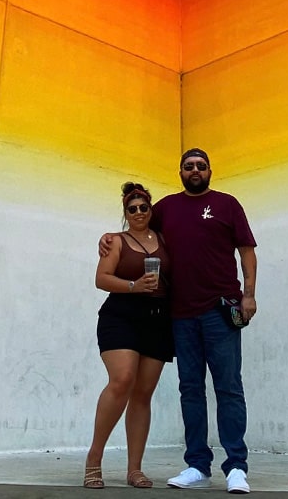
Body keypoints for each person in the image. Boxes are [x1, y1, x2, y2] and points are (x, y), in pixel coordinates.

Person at [100, 149, 257, 494]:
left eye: (201, 166)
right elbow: (137, 230)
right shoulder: (167, 208)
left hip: (221, 310)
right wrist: (108, 237)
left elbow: (247, 250)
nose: (195, 170)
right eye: (189, 166)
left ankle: (236, 467)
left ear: (210, 170)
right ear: (181, 172)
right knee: (190, 390)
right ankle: (197, 465)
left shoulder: (228, 204)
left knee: (229, 388)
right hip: (180, 315)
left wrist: (249, 294)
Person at [84, 182, 174, 489]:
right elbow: (101, 279)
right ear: (125, 213)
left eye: (143, 207)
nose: (138, 212)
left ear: (151, 210)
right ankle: (94, 458)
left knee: (143, 393)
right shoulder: (116, 241)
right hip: (121, 315)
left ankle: (134, 469)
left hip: (157, 318)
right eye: (131, 209)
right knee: (122, 380)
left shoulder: (163, 238)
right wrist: (134, 285)